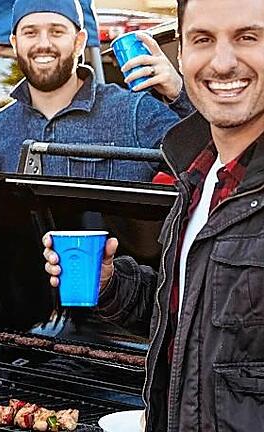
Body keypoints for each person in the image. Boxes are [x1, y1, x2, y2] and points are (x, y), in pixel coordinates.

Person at [43, 0, 264, 429]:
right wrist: (112, 284)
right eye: (203, 39)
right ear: (181, 53)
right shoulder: (198, 178)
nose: (222, 62)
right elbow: (194, 322)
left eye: (248, 37)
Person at [0, 0, 194, 261]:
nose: (44, 43)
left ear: (79, 41)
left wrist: (179, 92)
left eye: (56, 31)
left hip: (116, 297)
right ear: (15, 41)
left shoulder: (133, 112)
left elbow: (211, 159)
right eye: (30, 32)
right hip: (23, 297)